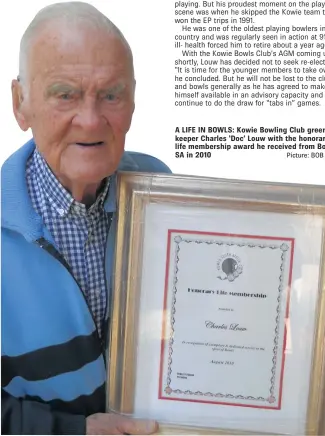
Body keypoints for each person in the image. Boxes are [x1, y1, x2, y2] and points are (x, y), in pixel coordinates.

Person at [1, 2, 170, 434]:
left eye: (110, 94)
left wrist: (313, 301)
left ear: (133, 101)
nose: (91, 119)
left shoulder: (166, 193)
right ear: (21, 104)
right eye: (65, 94)